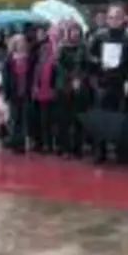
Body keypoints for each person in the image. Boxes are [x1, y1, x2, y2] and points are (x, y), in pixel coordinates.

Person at [86, 5, 128, 164]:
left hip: (121, 82)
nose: (114, 20)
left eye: (118, 17)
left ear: (123, 19)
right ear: (107, 19)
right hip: (103, 82)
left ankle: (120, 151)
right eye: (111, 17)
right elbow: (89, 56)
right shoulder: (99, 36)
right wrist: (98, 63)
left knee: (121, 118)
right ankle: (99, 151)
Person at [54, 22, 89, 158]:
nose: (75, 34)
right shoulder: (62, 48)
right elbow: (59, 67)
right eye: (72, 31)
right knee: (64, 119)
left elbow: (87, 65)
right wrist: (71, 79)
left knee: (79, 118)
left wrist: (80, 78)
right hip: (64, 87)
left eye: (77, 31)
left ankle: (77, 148)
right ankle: (64, 148)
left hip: (80, 86)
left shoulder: (84, 48)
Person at [0, 34, 35, 153]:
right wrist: (5, 93)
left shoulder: (30, 59)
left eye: (23, 43)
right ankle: (15, 142)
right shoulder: (9, 60)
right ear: (14, 45)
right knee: (14, 118)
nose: (21, 45)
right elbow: (5, 78)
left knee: (25, 118)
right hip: (13, 92)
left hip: (26, 92)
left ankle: (23, 142)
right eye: (19, 43)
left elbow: (32, 75)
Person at [29, 31, 59, 153]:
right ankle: (42, 143)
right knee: (41, 120)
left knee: (50, 121)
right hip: (40, 95)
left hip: (51, 94)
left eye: (47, 50)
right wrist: (34, 88)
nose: (45, 52)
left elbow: (56, 79)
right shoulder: (38, 65)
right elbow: (35, 79)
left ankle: (50, 143)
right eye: (43, 50)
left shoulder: (54, 64)